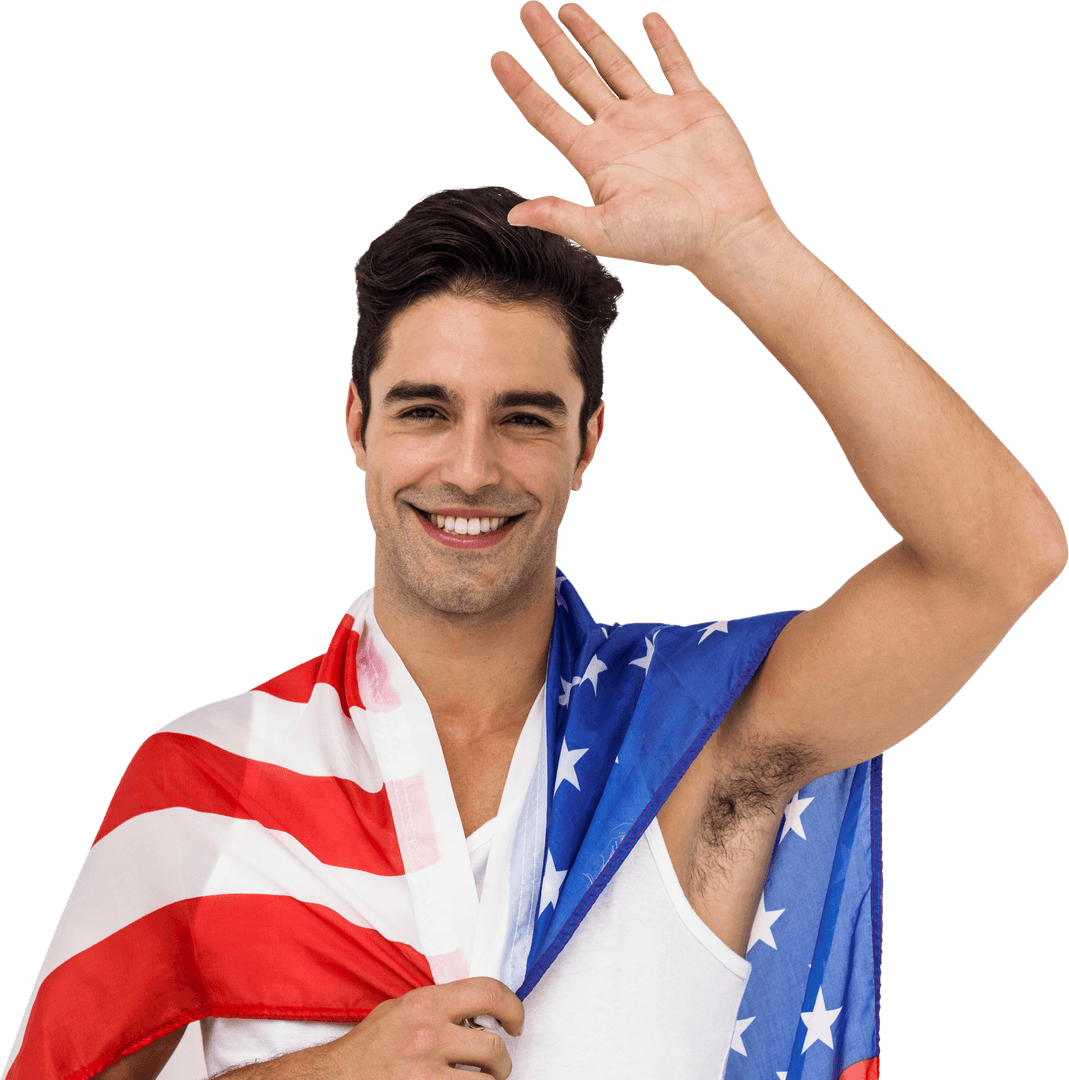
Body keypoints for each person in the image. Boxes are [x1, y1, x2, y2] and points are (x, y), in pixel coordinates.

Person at [5, 3, 1064, 1079]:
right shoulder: (203, 785)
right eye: (424, 410)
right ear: (357, 429)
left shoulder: (702, 742)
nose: (470, 468)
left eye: (523, 417)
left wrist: (743, 245)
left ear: (586, 442)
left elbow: (997, 558)